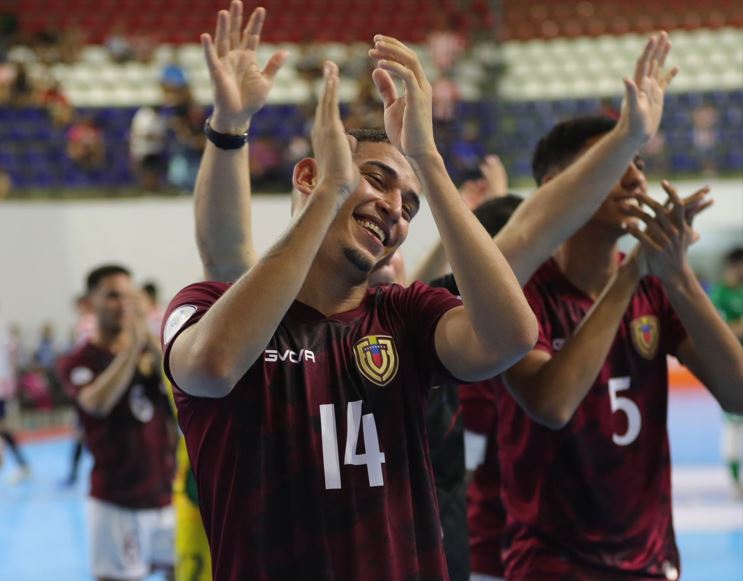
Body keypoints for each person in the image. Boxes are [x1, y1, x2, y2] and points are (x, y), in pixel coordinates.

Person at [162, 3, 538, 578]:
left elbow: (511, 337)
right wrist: (323, 191)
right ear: (310, 176)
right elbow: (210, 365)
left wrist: (427, 161)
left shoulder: (404, 315)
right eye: (379, 180)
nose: (394, 207)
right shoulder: (204, 310)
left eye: (408, 206)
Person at [488, 114, 743, 580]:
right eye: (613, 162)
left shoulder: (657, 285)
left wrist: (678, 274)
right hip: (553, 563)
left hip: (652, 560)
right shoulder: (519, 290)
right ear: (556, 189)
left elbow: (739, 395)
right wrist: (629, 278)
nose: (636, 176)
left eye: (638, 161)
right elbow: (552, 403)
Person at [56, 265, 176, 581]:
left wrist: (149, 341)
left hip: (165, 497)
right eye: (111, 296)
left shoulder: (150, 354)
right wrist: (131, 350)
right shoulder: (79, 360)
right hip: (116, 503)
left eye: (127, 296)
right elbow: (96, 404)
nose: (122, 304)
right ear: (89, 303)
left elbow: (180, 387)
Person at [712, 246, 743, 492]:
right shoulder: (719, 295)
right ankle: (734, 480)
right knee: (733, 424)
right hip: (732, 367)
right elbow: (719, 331)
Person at [0, 313, 31, 483]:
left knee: (3, 428)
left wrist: (10, 383)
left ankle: (21, 464)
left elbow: (13, 359)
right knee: (3, 429)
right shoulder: (6, 335)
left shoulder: (4, 335)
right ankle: (21, 464)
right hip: (5, 386)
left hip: (2, 387)